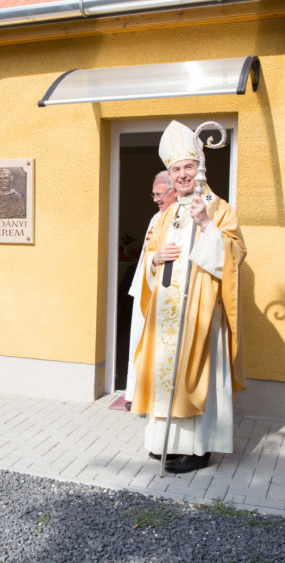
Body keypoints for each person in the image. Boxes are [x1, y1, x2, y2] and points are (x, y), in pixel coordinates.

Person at [130, 120, 246, 474]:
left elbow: (236, 254)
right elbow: (150, 256)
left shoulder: (219, 208)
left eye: (188, 167)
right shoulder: (167, 214)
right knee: (165, 374)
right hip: (166, 313)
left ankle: (198, 450)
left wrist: (207, 225)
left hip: (201, 312)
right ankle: (164, 444)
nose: (182, 175)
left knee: (195, 375)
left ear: (201, 168)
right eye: (176, 169)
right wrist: (155, 260)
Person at [124, 171, 177, 409]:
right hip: (145, 284)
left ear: (173, 191)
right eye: (153, 194)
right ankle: (133, 393)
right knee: (137, 340)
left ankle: (157, 396)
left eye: (159, 194)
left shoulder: (182, 218)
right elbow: (148, 253)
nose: (156, 200)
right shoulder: (156, 218)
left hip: (167, 292)